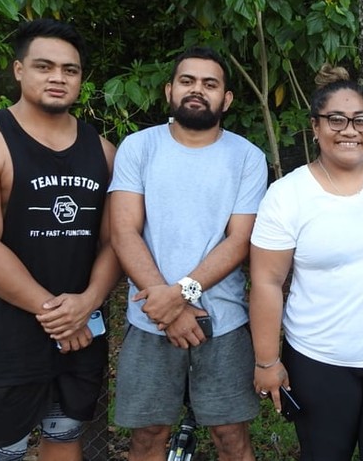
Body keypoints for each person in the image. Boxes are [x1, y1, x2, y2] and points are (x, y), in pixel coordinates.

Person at [0, 18, 121, 461]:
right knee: (1, 451)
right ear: (19, 70)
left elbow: (118, 240)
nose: (58, 78)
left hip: (83, 333)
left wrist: (89, 302)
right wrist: (58, 315)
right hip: (9, 335)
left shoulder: (103, 151)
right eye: (44, 66)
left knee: (64, 438)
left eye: (70, 70)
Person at [249, 64, 363, 461]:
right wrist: (267, 361)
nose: (349, 130)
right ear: (315, 127)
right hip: (320, 359)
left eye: (360, 120)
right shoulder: (288, 195)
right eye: (336, 119)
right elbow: (266, 280)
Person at [109, 46, 267, 461]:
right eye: (187, 81)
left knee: (231, 437)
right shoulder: (138, 147)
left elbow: (239, 239)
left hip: (224, 320)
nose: (197, 90)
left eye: (210, 84)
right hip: (149, 318)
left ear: (226, 99)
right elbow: (124, 230)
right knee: (148, 435)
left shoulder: (248, 157)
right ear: (169, 90)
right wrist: (168, 306)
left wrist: (181, 295)